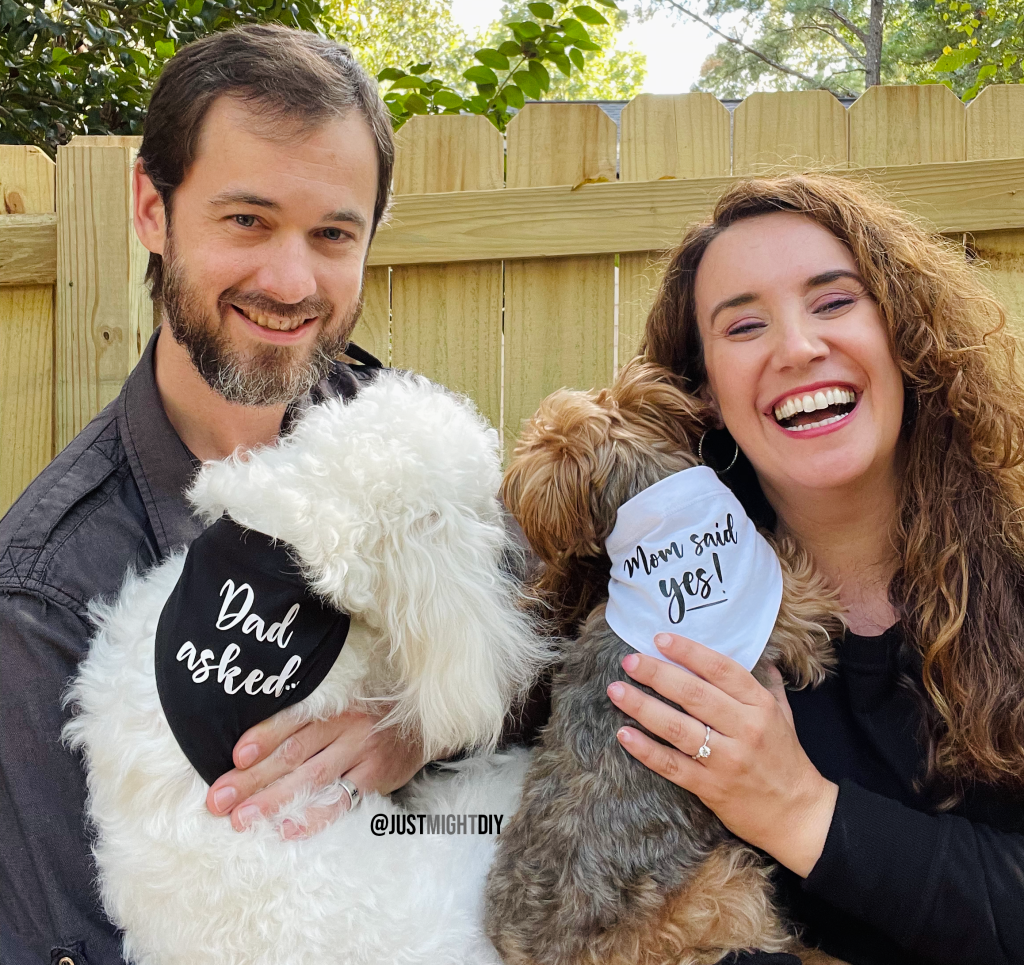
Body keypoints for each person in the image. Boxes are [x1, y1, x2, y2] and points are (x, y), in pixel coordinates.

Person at [0, 26, 430, 965]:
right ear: (152, 210)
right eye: (247, 220)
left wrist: (425, 723)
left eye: (332, 234)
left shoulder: (413, 452)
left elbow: (549, 679)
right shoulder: (45, 594)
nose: (291, 281)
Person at [602, 174, 1024, 965]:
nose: (797, 348)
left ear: (904, 333)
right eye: (744, 325)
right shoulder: (651, 605)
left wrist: (800, 810)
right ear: (703, 391)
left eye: (833, 302)